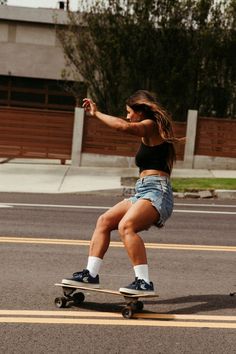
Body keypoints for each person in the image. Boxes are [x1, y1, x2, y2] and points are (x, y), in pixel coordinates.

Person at [62, 90, 181, 295]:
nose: (127, 116)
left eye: (129, 112)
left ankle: (143, 282)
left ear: (140, 112)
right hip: (143, 190)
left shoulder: (151, 126)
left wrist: (96, 113)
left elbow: (123, 127)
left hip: (157, 191)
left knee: (127, 226)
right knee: (105, 221)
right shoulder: (148, 129)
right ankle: (90, 275)